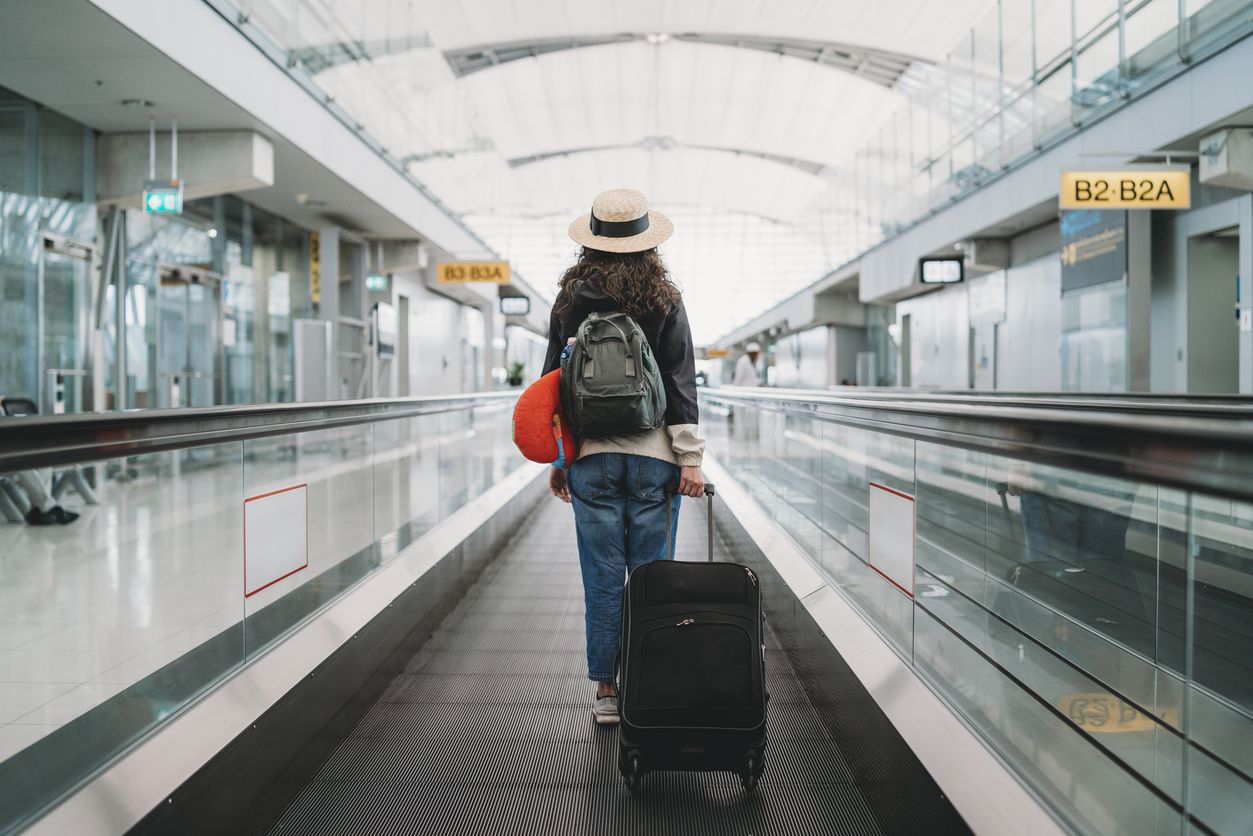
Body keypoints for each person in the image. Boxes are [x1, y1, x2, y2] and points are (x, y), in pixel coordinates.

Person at [543, 188, 706, 727]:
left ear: (590, 244)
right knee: (652, 575)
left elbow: (552, 387)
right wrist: (690, 459)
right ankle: (652, 681)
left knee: (602, 574)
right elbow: (681, 382)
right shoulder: (663, 299)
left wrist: (560, 458)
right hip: (655, 460)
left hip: (591, 459)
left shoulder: (570, 301)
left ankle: (608, 692)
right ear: (646, 245)